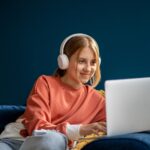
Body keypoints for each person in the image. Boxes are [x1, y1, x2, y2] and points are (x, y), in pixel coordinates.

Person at [0, 33, 106, 150]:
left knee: (54, 139)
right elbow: (37, 128)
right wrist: (80, 130)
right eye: (81, 61)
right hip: (16, 141)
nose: (88, 68)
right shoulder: (45, 83)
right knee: (52, 138)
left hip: (52, 144)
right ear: (64, 61)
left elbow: (116, 126)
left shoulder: (97, 100)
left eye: (93, 62)